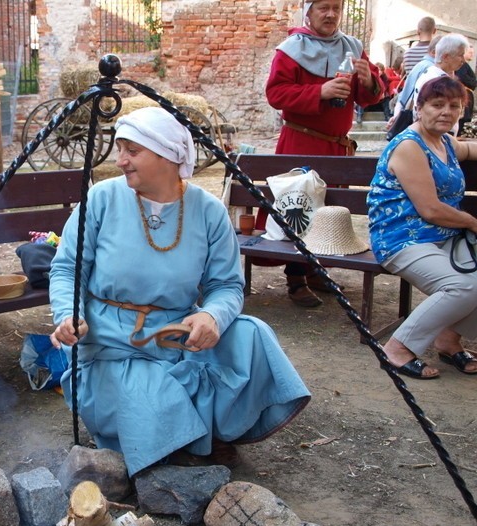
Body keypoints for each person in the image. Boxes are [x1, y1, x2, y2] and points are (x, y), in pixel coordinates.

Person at [48, 106, 311, 477]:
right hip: (112, 343)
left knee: (253, 335)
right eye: (118, 148)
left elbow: (226, 285)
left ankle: (201, 433)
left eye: (131, 151)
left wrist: (211, 315)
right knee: (145, 387)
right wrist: (68, 313)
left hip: (178, 335)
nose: (120, 160)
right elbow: (66, 269)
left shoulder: (208, 211)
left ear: (168, 155)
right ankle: (187, 441)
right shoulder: (101, 200)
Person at [260, 0, 383, 308]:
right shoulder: (291, 48)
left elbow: (370, 96)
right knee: (300, 208)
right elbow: (276, 94)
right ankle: (296, 277)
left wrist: (369, 81)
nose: (330, 14)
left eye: (336, 8)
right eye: (323, 8)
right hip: (302, 143)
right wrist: (319, 92)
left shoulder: (353, 47)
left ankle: (317, 270)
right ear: (309, 11)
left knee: (329, 210)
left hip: (337, 147)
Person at [367, 77, 477, 380]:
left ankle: (447, 339)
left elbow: (468, 149)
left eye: (454, 106)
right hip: (401, 238)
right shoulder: (408, 146)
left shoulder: (445, 142)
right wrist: (472, 223)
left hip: (442, 236)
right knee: (463, 286)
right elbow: (430, 209)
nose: (446, 112)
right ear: (419, 107)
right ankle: (396, 348)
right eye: (437, 104)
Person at [411, 34, 468, 135]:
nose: (463, 60)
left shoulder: (434, 74)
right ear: (446, 57)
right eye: (460, 55)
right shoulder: (436, 80)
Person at [455, 45, 476, 133]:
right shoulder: (463, 65)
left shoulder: (465, 65)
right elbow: (462, 77)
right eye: (470, 53)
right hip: (464, 93)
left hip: (467, 93)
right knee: (462, 119)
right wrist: (474, 82)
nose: (472, 55)